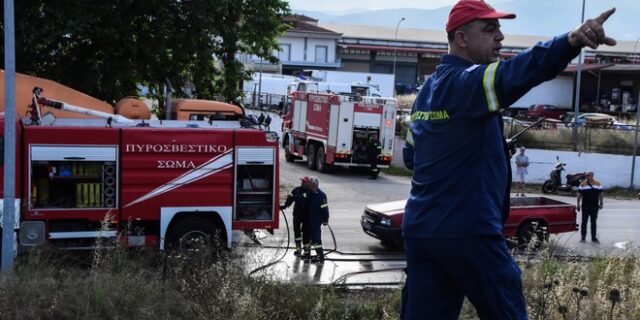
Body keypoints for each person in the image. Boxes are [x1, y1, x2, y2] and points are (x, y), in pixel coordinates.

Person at [401, 0, 616, 319]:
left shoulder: (428, 91)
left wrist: (486, 152)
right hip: (469, 231)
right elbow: (516, 73)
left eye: (500, 28)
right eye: (490, 29)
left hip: (421, 232)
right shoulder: (468, 82)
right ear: (461, 39)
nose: (500, 36)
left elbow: (412, 157)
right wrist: (569, 42)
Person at [280, 177, 311, 257]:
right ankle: (298, 250)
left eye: (305, 182)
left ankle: (307, 251)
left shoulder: (310, 191)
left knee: (306, 234)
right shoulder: (296, 190)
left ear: (308, 183)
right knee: (297, 233)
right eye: (302, 181)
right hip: (297, 215)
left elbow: (301, 197)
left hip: (307, 216)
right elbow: (290, 198)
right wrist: (284, 206)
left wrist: (295, 197)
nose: (303, 183)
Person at [305, 176, 329, 263]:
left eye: (310, 184)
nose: (308, 185)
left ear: (314, 185)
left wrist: (325, 219)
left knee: (316, 239)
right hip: (308, 221)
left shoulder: (321, 196)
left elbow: (325, 209)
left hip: (316, 221)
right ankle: (312, 255)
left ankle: (321, 256)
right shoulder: (309, 193)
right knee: (309, 239)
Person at [577, 171, 604, 243]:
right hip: (585, 206)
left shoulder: (598, 184)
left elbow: (600, 194)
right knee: (584, 222)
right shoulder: (582, 184)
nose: (587, 177)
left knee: (593, 222)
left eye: (589, 175)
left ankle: (594, 238)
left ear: (592, 176)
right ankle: (583, 237)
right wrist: (578, 204)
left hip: (594, 206)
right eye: (586, 176)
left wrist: (601, 203)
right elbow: (579, 195)